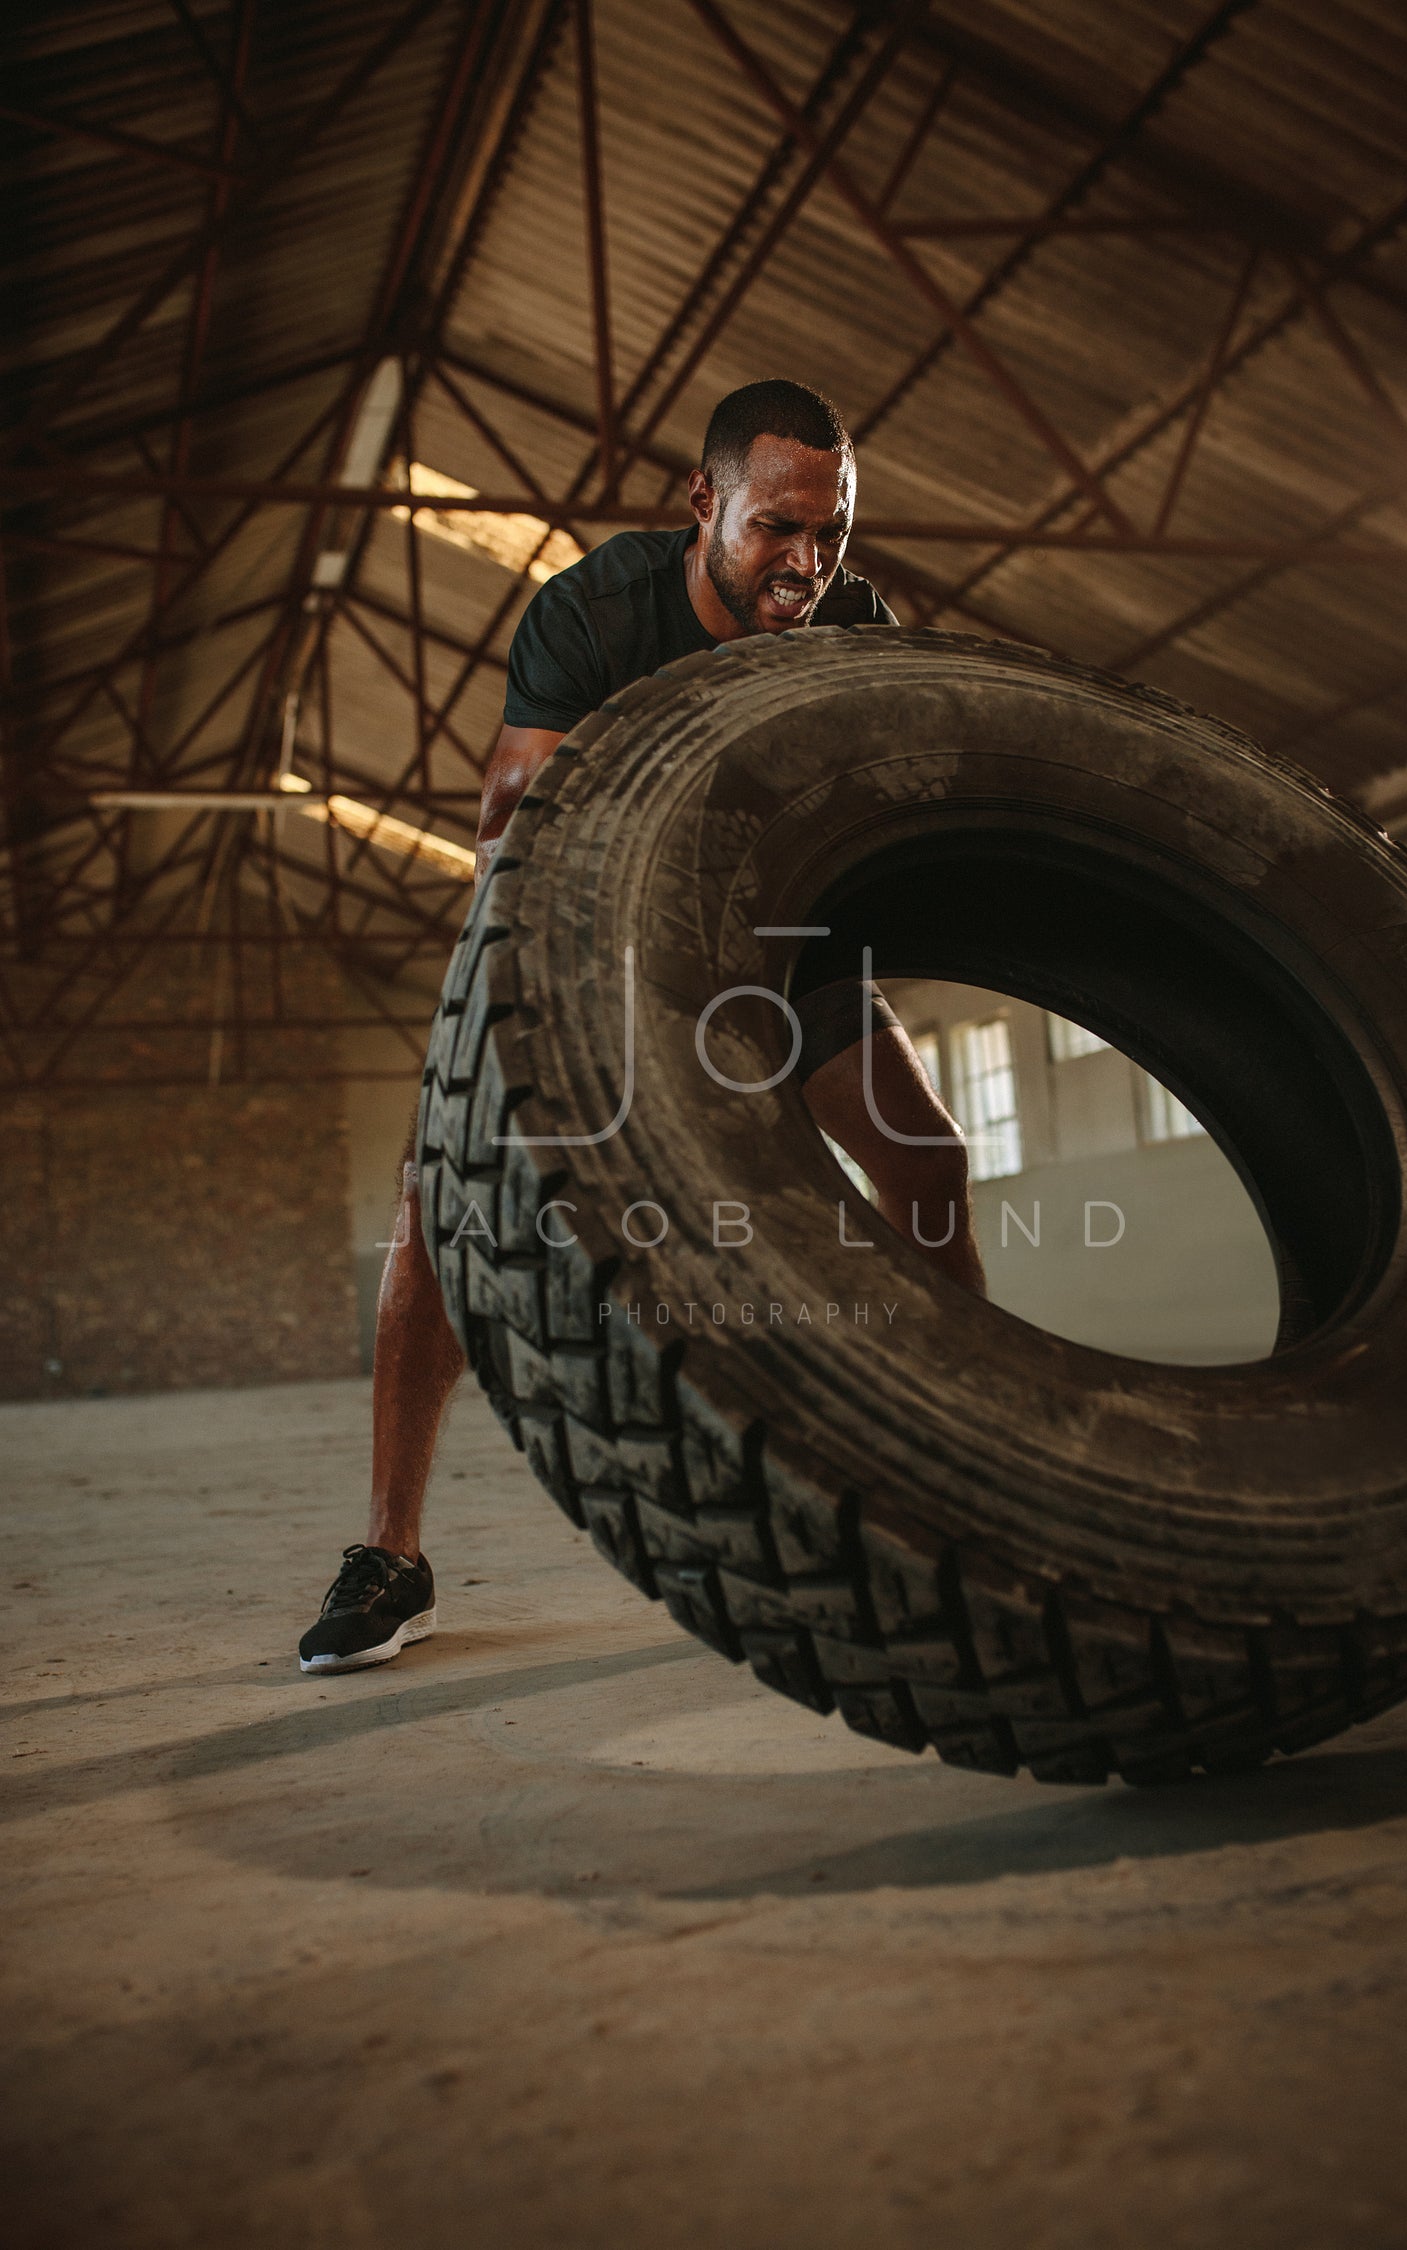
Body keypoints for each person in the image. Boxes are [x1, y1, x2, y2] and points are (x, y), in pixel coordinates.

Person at [298, 380, 986, 1674]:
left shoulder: (850, 618)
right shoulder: (596, 606)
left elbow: (879, 805)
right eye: (779, 525)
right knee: (430, 1206)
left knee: (929, 1163)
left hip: (781, 933)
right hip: (580, 924)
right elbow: (510, 817)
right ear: (702, 501)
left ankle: (958, 1475)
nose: (807, 560)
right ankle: (392, 1550)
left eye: (828, 530)